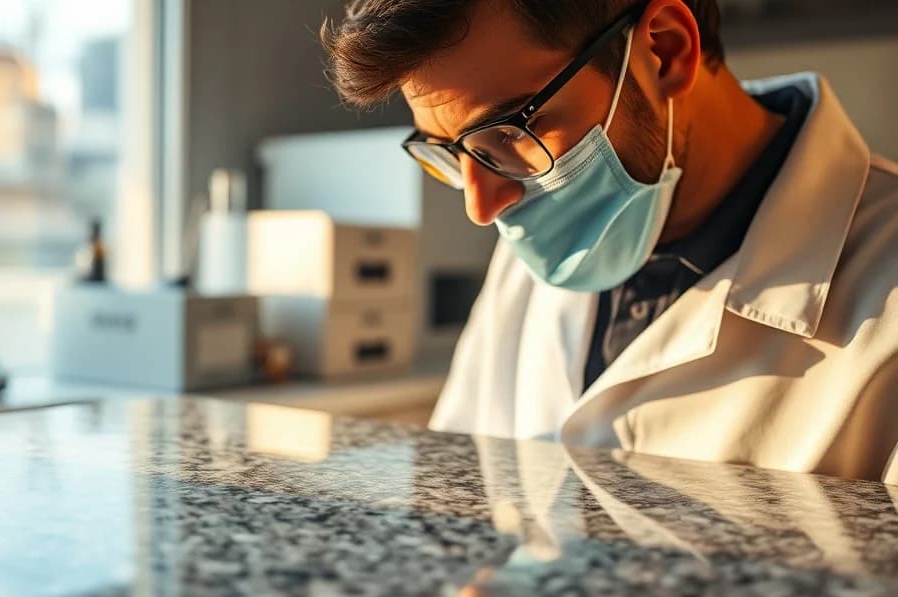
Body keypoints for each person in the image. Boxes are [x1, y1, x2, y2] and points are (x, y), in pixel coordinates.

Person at [321, 0, 898, 482]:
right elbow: (464, 488)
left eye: (508, 134)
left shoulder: (883, 281)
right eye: (450, 153)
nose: (482, 206)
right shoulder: (534, 244)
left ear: (665, 51)